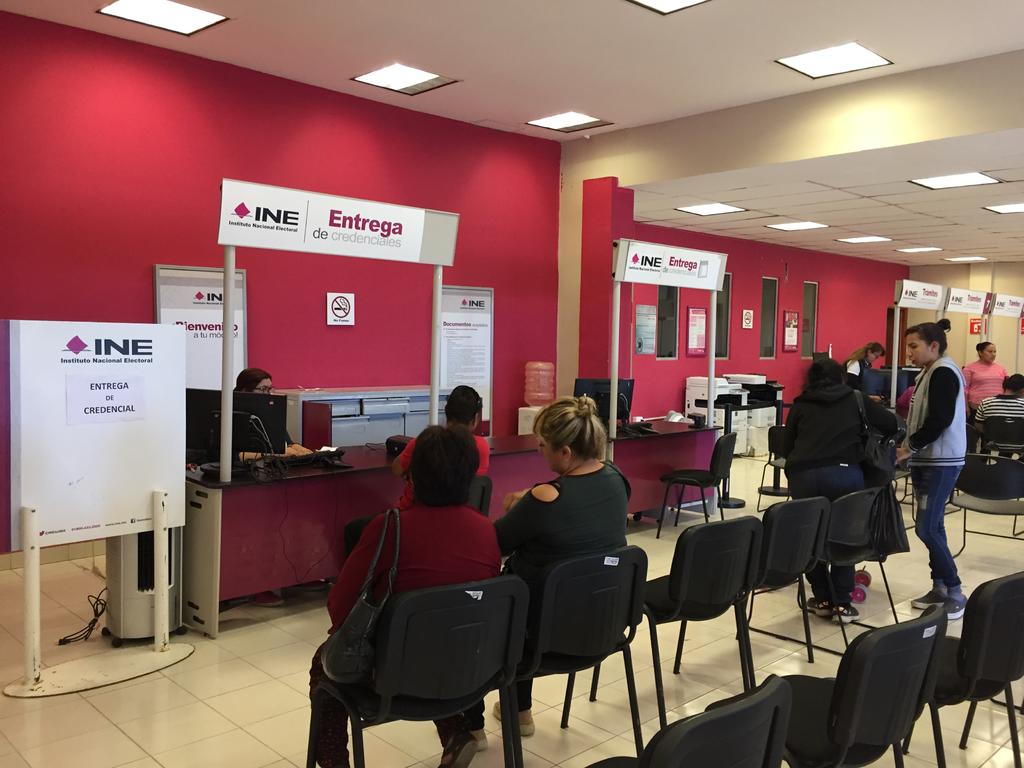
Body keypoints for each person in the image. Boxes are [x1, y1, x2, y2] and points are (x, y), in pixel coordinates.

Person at [309, 426, 501, 768]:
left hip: (393, 676)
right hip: (471, 668)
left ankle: (334, 762)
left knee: (324, 665)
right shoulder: (486, 530)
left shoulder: (390, 528)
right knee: (435, 642)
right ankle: (456, 733)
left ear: (413, 475)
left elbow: (339, 605)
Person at [491, 396, 628, 737]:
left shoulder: (544, 499)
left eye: (543, 446)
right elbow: (576, 503)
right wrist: (532, 496)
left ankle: (508, 716)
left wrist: (524, 503)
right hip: (605, 620)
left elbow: (496, 543)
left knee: (505, 598)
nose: (540, 452)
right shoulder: (616, 478)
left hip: (541, 632)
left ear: (565, 452)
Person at [782, 358, 898, 623]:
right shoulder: (856, 399)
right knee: (844, 534)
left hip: (804, 476)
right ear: (841, 377)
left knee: (812, 535)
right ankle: (842, 603)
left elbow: (786, 447)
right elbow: (891, 425)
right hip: (844, 474)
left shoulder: (801, 403)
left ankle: (822, 598)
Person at [341, 385, 490, 555]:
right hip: (459, 525)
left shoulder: (424, 442)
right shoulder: (482, 448)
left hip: (409, 521)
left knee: (354, 530)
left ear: (446, 410)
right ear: (476, 418)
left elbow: (397, 469)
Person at [895, 318, 968, 621]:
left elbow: (939, 419)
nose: (909, 353)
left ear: (933, 345)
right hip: (927, 459)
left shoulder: (944, 372)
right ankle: (939, 587)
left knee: (926, 528)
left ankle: (955, 591)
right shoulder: (928, 371)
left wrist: (908, 447)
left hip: (941, 461)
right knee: (933, 526)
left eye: (914, 346)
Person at [234, 367, 312, 457]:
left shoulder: (271, 411)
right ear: (244, 390)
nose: (268, 393)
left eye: (270, 388)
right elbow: (234, 455)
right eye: (263, 389)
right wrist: (276, 455)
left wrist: (298, 448)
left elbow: (288, 442)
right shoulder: (232, 415)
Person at [975, 374, 1024, 453]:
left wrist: (992, 434)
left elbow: (978, 425)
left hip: (993, 445)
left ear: (1004, 386)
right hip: (1021, 446)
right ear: (1022, 390)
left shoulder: (986, 402)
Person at [963, 342, 1009, 419]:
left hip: (998, 409)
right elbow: (964, 389)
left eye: (995, 352)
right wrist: (965, 406)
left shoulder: (1001, 368)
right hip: (976, 408)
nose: (993, 354)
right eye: (990, 351)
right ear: (980, 353)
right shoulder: (969, 368)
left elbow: (1007, 387)